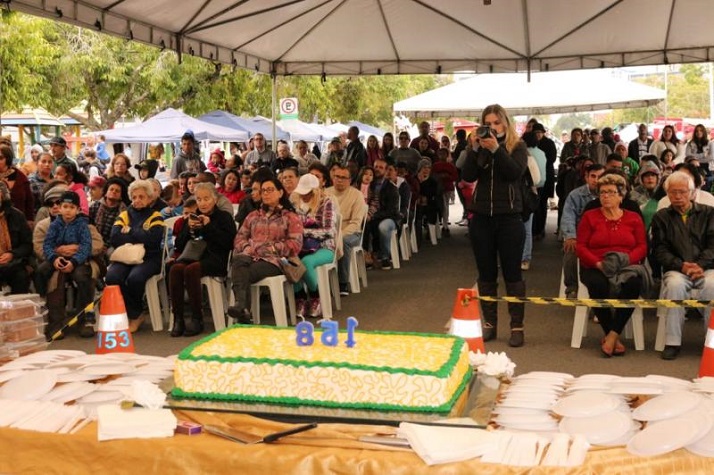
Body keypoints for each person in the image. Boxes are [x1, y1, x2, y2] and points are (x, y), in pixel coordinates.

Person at [461, 104, 529, 347]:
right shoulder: (480, 148)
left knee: (513, 274)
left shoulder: (517, 147)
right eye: (486, 124)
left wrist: (497, 150)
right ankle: (489, 323)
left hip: (510, 218)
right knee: (486, 274)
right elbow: (468, 176)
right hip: (481, 218)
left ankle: (517, 326)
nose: (491, 128)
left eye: (496, 123)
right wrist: (473, 148)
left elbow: (513, 173)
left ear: (505, 124)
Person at [576, 174, 648, 356]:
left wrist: (627, 260)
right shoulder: (590, 217)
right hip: (596, 265)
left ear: (621, 196)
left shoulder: (633, 218)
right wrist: (598, 263)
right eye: (602, 193)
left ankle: (611, 335)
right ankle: (611, 334)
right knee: (597, 283)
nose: (606, 196)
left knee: (634, 284)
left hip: (626, 264)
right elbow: (581, 246)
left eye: (611, 192)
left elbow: (642, 246)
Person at [652, 171, 714, 360]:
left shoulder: (709, 213)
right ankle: (672, 342)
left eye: (682, 192)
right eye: (673, 192)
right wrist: (682, 266)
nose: (678, 196)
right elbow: (659, 250)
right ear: (667, 194)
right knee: (675, 286)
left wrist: (699, 265)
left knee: (712, 286)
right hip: (676, 269)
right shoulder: (661, 217)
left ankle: (710, 343)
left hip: (706, 267)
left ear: (693, 192)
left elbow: (713, 245)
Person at [226, 177, 303, 323]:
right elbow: (239, 238)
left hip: (275, 261)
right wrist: (247, 247)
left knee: (242, 270)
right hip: (249, 257)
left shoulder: (289, 217)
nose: (266, 194)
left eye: (270, 190)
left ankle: (242, 309)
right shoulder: (253, 216)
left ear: (280, 193)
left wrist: (272, 248)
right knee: (239, 260)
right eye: (263, 191)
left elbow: (295, 244)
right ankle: (242, 308)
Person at [168, 183, 236, 337]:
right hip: (192, 255)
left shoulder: (224, 217)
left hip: (216, 258)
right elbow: (178, 244)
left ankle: (197, 318)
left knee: (192, 270)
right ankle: (178, 318)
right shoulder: (192, 217)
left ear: (215, 199)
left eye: (206, 199)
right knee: (175, 269)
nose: (203, 203)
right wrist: (189, 228)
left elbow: (228, 243)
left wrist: (208, 226)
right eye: (199, 199)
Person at [105, 180, 165, 333]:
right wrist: (141, 234)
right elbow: (115, 238)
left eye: (141, 197)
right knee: (112, 276)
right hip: (126, 256)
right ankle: (135, 313)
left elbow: (153, 240)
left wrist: (130, 231)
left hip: (150, 257)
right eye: (134, 197)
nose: (137, 200)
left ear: (150, 199)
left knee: (135, 278)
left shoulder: (155, 216)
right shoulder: (124, 214)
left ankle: (134, 314)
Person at [35, 191, 96, 338]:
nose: (68, 210)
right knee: (41, 272)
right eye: (65, 206)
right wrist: (54, 258)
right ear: (59, 208)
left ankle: (84, 320)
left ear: (78, 209)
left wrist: (74, 262)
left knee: (82, 277)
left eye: (71, 207)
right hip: (57, 259)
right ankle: (53, 319)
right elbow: (47, 245)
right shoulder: (54, 225)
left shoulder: (83, 225)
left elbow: (86, 246)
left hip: (78, 260)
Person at [290, 174, 337, 318]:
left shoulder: (327, 202)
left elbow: (330, 231)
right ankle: (300, 297)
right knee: (291, 261)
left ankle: (316, 295)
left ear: (315, 191)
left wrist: (304, 232)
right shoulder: (296, 204)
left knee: (306, 262)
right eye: (302, 192)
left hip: (325, 247)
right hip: (302, 247)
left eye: (307, 193)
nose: (303, 196)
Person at [327, 163, 367, 296]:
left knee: (343, 242)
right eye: (337, 176)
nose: (339, 179)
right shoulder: (325, 193)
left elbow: (356, 223)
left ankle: (342, 283)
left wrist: (339, 235)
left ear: (349, 180)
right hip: (329, 232)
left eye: (343, 177)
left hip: (351, 233)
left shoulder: (357, 195)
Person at [365, 158, 400, 270]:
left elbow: (391, 211)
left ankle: (385, 256)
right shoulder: (368, 184)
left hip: (389, 218)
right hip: (370, 216)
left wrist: (373, 216)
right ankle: (368, 257)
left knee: (383, 227)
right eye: (376, 167)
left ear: (385, 171)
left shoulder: (391, 188)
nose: (377, 169)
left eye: (381, 167)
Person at [0, 182, 32, 294]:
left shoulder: (17, 216)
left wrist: (12, 254)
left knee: (21, 277)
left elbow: (27, 245)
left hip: (13, 262)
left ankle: (18, 310)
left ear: (3, 196)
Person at [521, 131, 546, 271]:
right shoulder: (540, 153)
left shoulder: (525, 156)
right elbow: (537, 179)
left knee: (520, 228)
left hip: (523, 195)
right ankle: (524, 259)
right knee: (527, 228)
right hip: (533, 192)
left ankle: (521, 257)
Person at [532, 123, 557, 240]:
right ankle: (535, 228)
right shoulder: (532, 143)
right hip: (534, 177)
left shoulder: (549, 143)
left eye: (539, 133)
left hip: (546, 177)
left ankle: (541, 228)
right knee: (535, 204)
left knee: (542, 204)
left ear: (543, 133)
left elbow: (552, 159)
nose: (537, 135)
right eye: (536, 133)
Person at [88, 177, 128, 250]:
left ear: (121, 197)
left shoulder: (124, 212)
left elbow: (119, 234)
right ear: (106, 193)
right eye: (111, 189)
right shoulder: (96, 205)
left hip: (112, 244)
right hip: (93, 240)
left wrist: (106, 245)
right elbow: (88, 224)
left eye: (117, 191)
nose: (114, 192)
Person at [0, 145, 34, 223]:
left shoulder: (20, 177)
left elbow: (29, 201)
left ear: (8, 159)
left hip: (17, 224)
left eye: (0, 158)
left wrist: (30, 220)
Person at [432, 147, 459, 237]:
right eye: (440, 154)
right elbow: (432, 176)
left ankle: (445, 225)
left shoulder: (450, 166)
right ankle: (440, 224)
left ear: (447, 155)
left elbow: (455, 177)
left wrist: (446, 177)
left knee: (445, 206)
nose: (442, 156)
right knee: (441, 206)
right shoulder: (435, 165)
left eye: (444, 154)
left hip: (448, 188)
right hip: (438, 189)